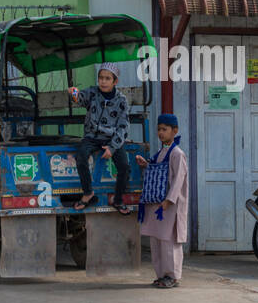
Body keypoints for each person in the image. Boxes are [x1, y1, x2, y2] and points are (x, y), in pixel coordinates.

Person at [68, 62, 133, 214]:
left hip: (112, 139)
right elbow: (80, 98)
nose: (103, 81)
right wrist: (74, 93)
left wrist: (112, 147)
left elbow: (123, 126)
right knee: (81, 157)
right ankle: (88, 192)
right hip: (92, 137)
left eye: (107, 78)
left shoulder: (121, 100)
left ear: (115, 81)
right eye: (100, 78)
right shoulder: (92, 93)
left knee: (124, 166)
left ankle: (118, 200)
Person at [137, 114, 189, 288]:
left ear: (174, 131)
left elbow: (178, 181)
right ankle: (161, 275)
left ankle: (172, 276)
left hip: (169, 206)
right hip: (158, 205)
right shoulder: (161, 152)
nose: (161, 132)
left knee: (168, 241)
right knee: (157, 240)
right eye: (159, 129)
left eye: (164, 129)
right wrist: (146, 165)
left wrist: (168, 201)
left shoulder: (177, 153)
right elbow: (156, 169)